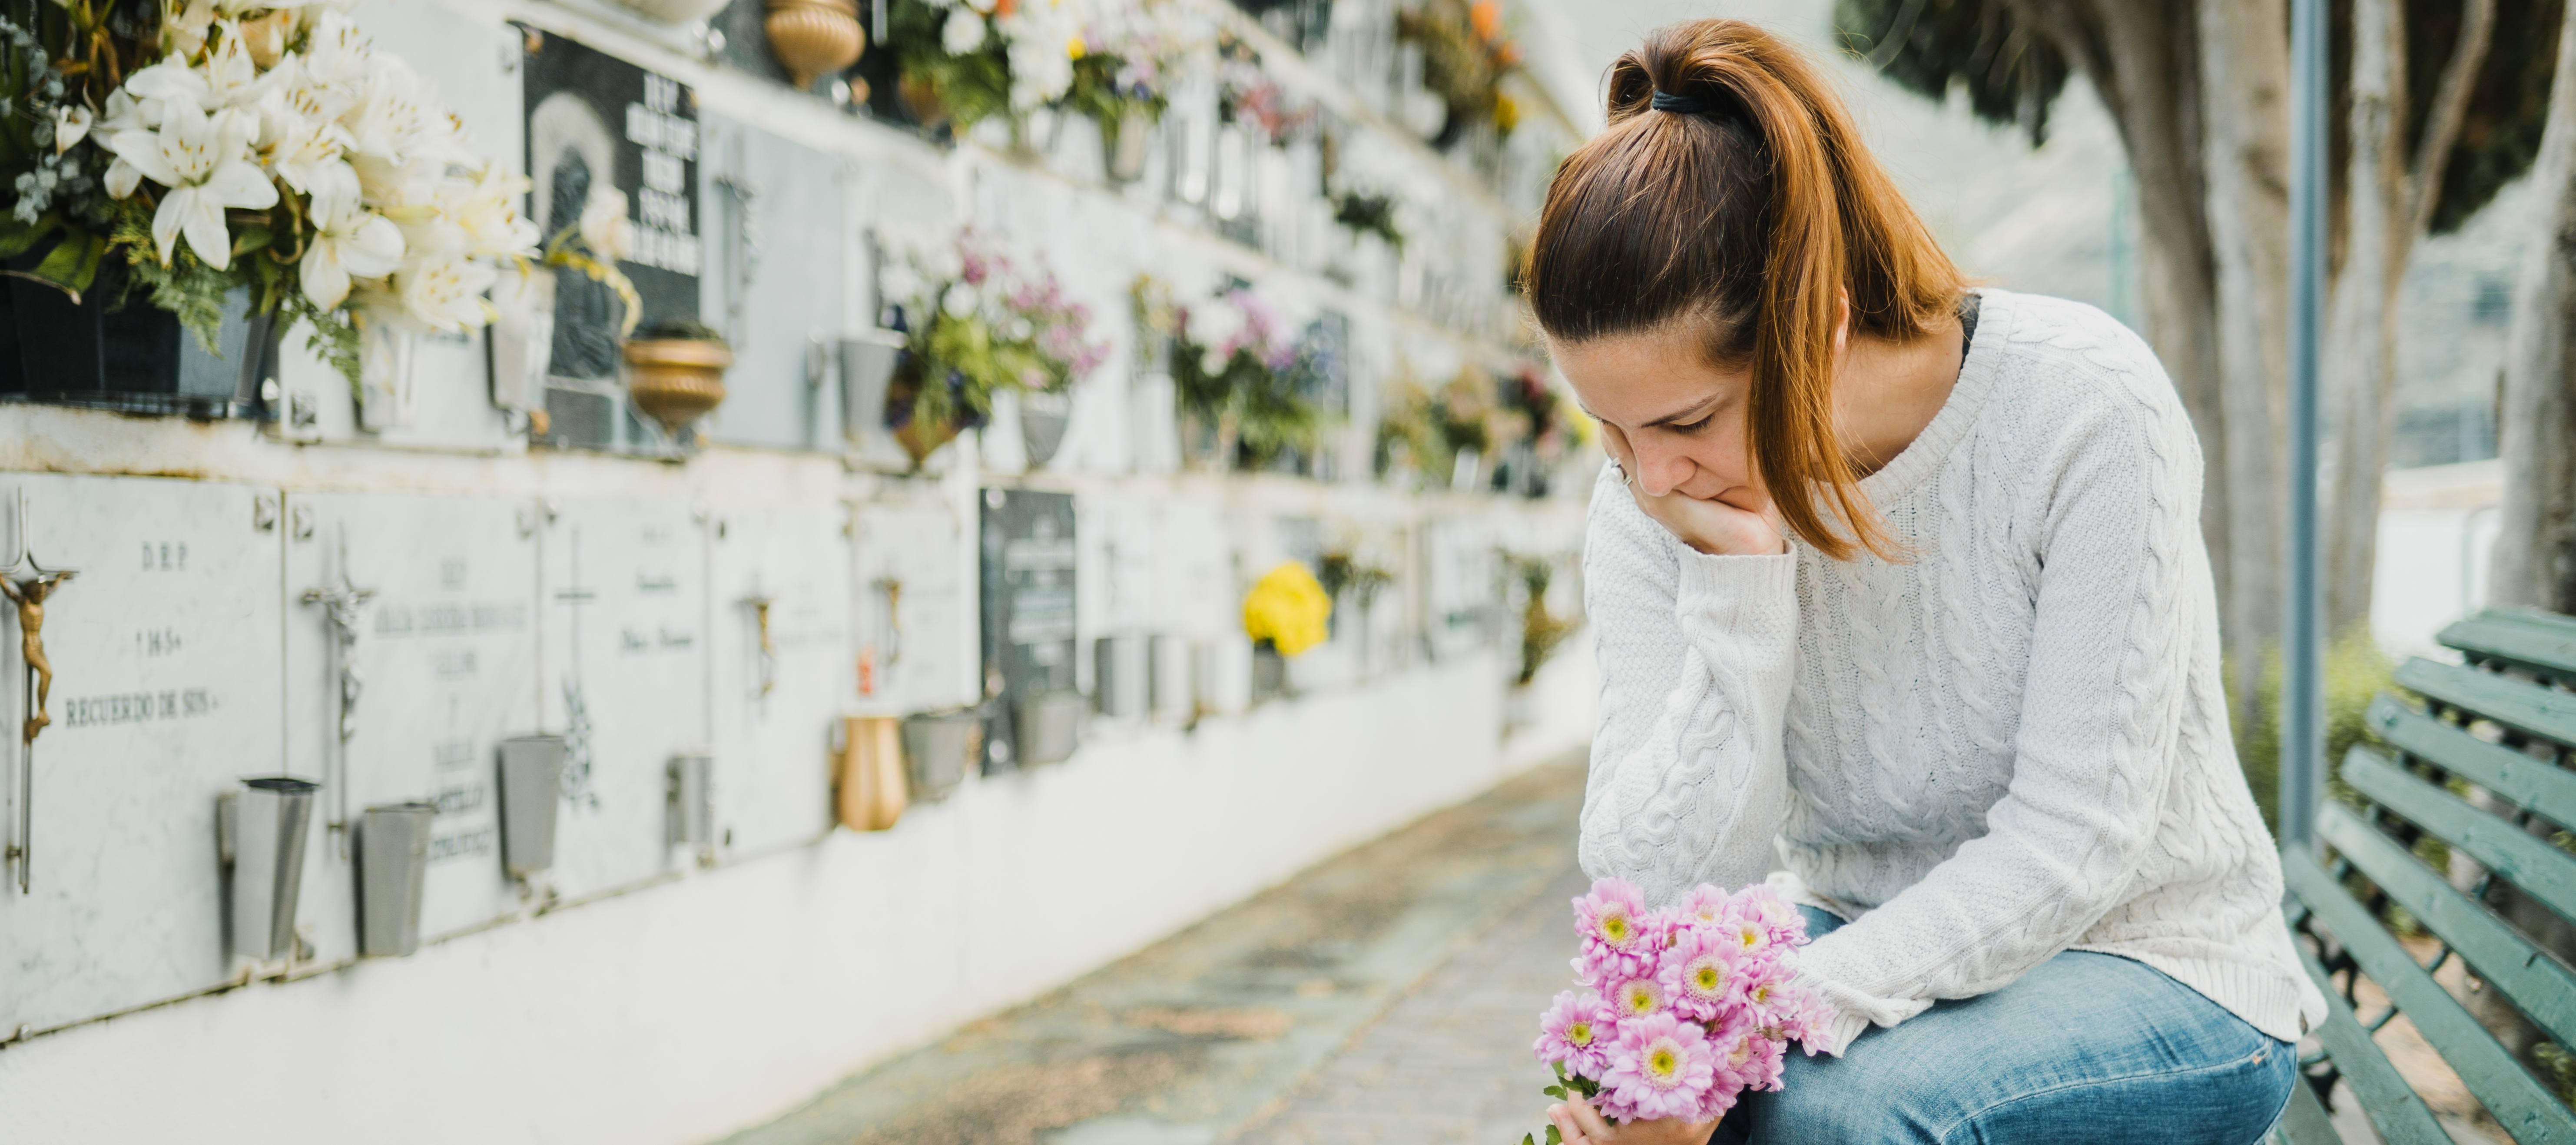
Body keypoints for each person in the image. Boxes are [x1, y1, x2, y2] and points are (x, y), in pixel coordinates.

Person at [1524, 20, 2325, 1145]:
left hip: (2158, 967)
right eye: (1606, 428)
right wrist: (1738, 593)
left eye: (1686, 420)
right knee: (1618, 1090)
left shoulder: (2079, 405)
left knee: (1812, 1113)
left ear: (1815, 325)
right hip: (1870, 931)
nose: (1651, 474)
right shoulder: (1659, 495)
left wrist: (1751, 1026)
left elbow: (2068, 850)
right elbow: (1655, 882)